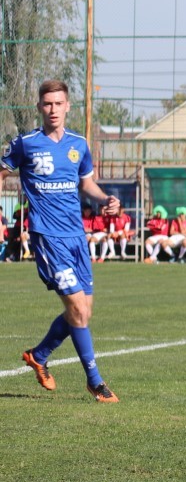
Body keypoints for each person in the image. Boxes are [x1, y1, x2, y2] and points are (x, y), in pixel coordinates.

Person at [0, 78, 120, 402]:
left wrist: (105, 199)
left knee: (83, 312)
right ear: (39, 106)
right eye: (47, 104)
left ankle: (38, 355)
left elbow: (87, 184)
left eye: (58, 103)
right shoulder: (25, 143)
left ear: (68, 106)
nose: (53, 109)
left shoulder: (78, 144)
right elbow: (1, 171)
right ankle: (95, 383)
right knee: (77, 309)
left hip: (76, 237)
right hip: (47, 238)